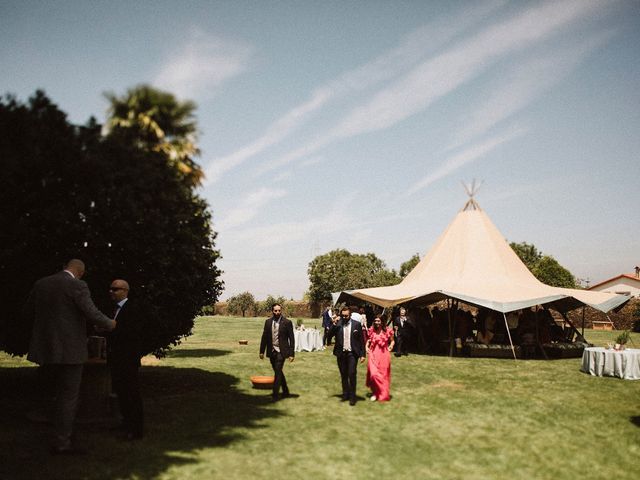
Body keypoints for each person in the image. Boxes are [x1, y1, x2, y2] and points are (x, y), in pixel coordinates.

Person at [24, 259, 116, 454]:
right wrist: (110, 323)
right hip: (70, 351)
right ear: (80, 272)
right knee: (68, 396)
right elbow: (90, 311)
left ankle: (49, 434)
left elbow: (29, 311)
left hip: (45, 349)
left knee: (51, 392)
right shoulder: (77, 285)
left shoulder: (41, 283)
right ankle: (62, 442)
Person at [106, 279, 145, 440]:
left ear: (125, 291)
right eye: (110, 289)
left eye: (115, 289)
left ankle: (135, 430)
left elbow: (131, 333)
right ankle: (126, 422)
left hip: (127, 358)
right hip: (117, 358)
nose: (111, 292)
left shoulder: (132, 309)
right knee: (121, 392)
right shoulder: (114, 310)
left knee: (131, 393)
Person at [330, 306, 365, 406]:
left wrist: (362, 354)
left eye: (346, 316)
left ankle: (353, 397)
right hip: (341, 354)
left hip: (352, 354)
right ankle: (345, 394)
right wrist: (334, 324)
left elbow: (361, 340)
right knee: (344, 375)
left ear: (350, 315)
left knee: (352, 374)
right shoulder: (338, 324)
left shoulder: (356, 324)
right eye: (343, 316)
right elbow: (329, 335)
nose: (344, 317)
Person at [259, 303, 295, 401]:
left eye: (279, 310)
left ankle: (275, 395)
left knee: (278, 371)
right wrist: (261, 351)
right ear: (272, 311)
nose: (277, 312)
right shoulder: (268, 322)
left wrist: (291, 354)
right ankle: (286, 391)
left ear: (281, 311)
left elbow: (292, 339)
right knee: (278, 371)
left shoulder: (287, 322)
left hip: (282, 351)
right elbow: (264, 337)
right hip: (272, 351)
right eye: (275, 311)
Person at [366, 315, 394, 402]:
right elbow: (369, 340)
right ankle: (375, 392)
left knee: (383, 375)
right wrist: (366, 347)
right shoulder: (372, 330)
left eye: (378, 321)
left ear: (382, 321)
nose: (377, 323)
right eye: (375, 321)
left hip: (384, 355)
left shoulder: (387, 331)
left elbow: (392, 341)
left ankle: (381, 393)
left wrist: (391, 346)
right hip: (373, 354)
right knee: (373, 375)